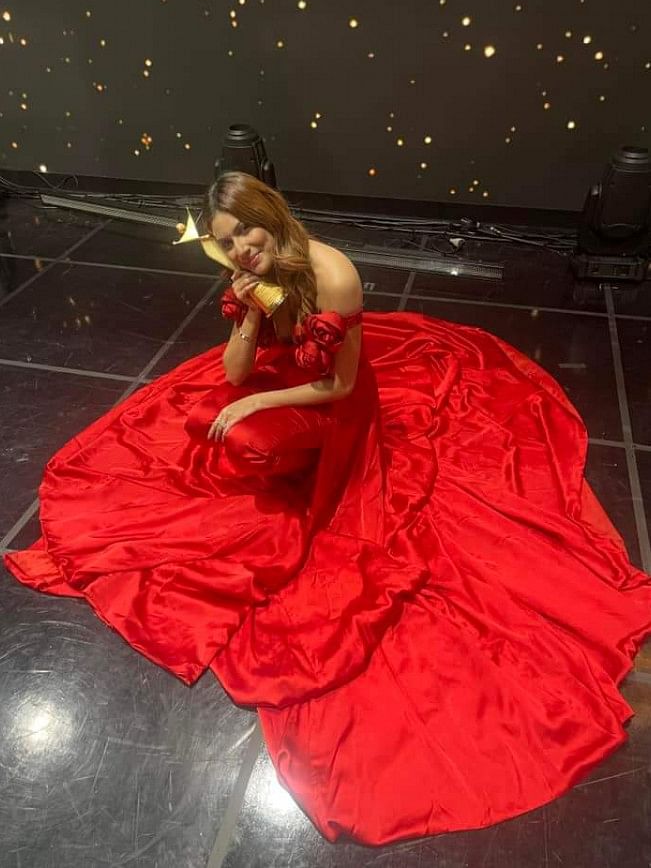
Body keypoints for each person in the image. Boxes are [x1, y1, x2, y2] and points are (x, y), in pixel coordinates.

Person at [5, 172, 651, 846]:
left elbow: (338, 383)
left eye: (247, 230)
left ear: (270, 214)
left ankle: (294, 464)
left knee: (243, 436)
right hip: (289, 379)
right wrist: (248, 314)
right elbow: (232, 372)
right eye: (227, 241)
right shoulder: (252, 272)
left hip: (336, 408)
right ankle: (279, 459)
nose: (241, 248)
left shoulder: (333, 276)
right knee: (201, 419)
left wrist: (256, 403)